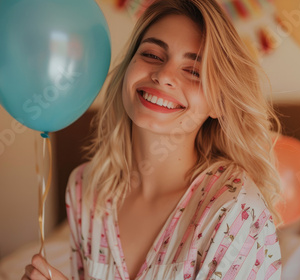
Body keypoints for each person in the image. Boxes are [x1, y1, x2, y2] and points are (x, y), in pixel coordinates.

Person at [22, 0, 282, 279]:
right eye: (152, 55)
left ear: (218, 103)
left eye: (193, 71)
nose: (163, 75)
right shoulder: (85, 190)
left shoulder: (235, 210)